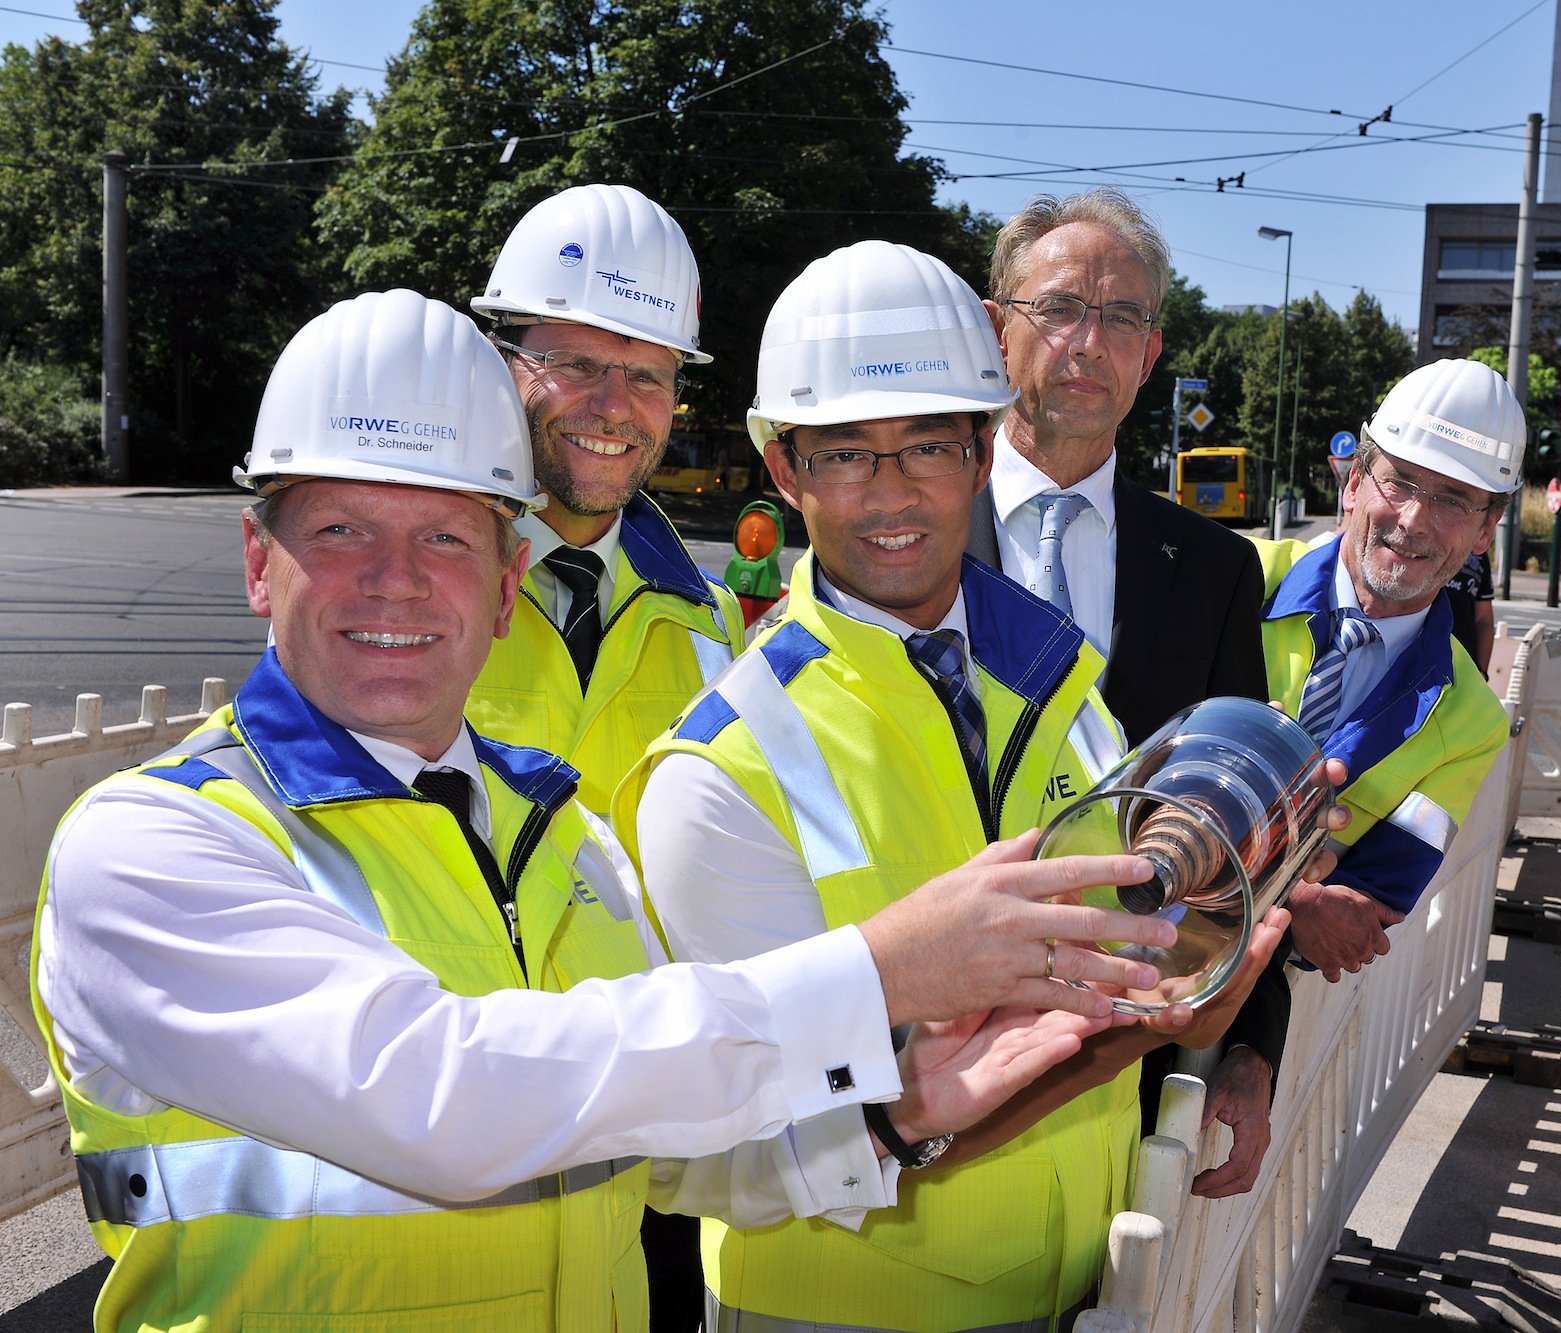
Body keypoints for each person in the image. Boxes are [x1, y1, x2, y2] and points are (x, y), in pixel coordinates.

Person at [30, 289, 1180, 1331]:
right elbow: (449, 1095)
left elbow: (667, 1155)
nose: (394, 579)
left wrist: (886, 1120)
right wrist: (877, 976)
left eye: (444, 535)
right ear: (255, 561)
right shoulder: (154, 845)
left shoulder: (562, 839)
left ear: (503, 583)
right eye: (339, 531)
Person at [615, 241, 1295, 1333]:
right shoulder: (721, 769)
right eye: (844, 454)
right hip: (843, 1307)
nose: (892, 491)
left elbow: (1133, 935)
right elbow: (733, 1135)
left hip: (1082, 1271)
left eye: (927, 443)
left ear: (983, 452)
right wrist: (1141, 1028)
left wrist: (1202, 948)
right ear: (784, 472)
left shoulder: (1063, 681)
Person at [968, 188, 1285, 1199]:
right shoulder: (904, 533)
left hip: (1127, 1059)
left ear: (1150, 356)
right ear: (994, 330)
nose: (1086, 344)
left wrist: (1249, 1048)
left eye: (1121, 319)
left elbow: (1247, 835)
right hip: (924, 1034)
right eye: (1058, 308)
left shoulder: (1212, 569)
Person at [465, 183, 743, 817]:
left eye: (647, 375)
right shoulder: (410, 586)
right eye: (578, 364)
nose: (614, 408)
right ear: (501, 361)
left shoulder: (712, 621)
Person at [1260, 358, 1520, 976]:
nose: (1413, 520)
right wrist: (1296, 898)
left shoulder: (1473, 721)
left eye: (1453, 500)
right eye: (1398, 482)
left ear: (1487, 530)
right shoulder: (1235, 576)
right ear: (1354, 483)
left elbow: (1361, 915)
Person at [1442, 548, 1497, 675]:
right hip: (1419, 660)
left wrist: (1481, 673)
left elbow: (1484, 621)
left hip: (1464, 666)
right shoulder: (1424, 540)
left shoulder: (1479, 554)